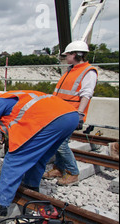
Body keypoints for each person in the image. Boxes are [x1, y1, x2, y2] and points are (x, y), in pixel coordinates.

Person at [0, 91, 79, 218]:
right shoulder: (14, 96)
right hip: (71, 116)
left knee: (13, 160)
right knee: (40, 156)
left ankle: (0, 206)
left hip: (52, 120)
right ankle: (31, 187)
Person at [43, 40, 98, 186]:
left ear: (77, 54)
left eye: (68, 54)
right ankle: (59, 169)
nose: (66, 57)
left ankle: (73, 173)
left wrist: (80, 114)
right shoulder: (71, 69)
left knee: (61, 144)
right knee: (58, 142)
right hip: (60, 113)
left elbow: (86, 94)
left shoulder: (88, 72)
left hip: (71, 114)